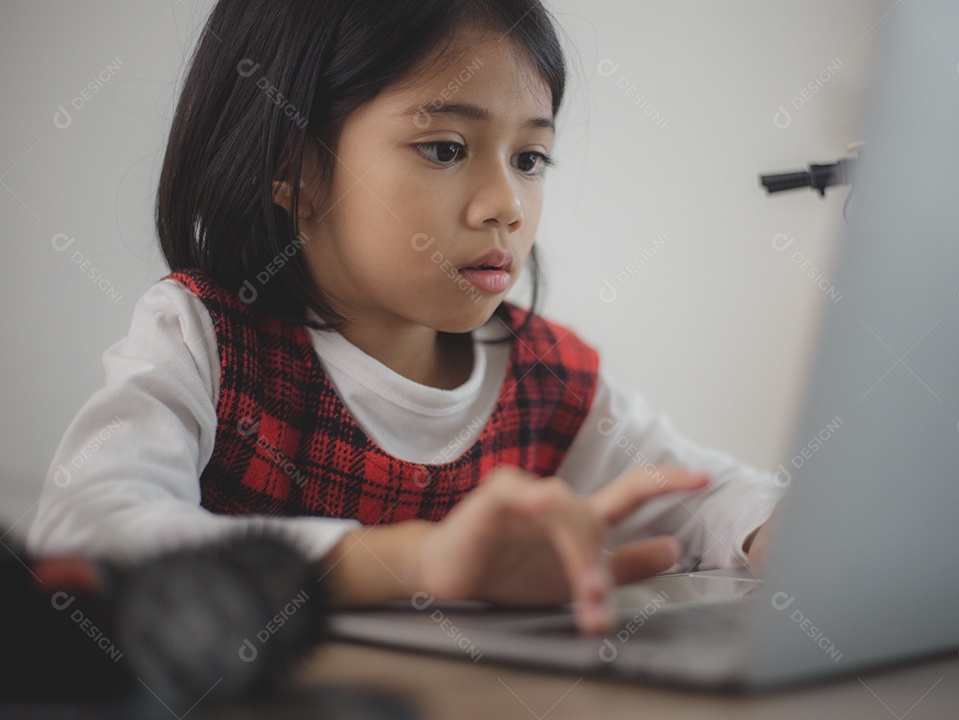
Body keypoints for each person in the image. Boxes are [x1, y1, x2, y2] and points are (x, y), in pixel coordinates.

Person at [29, 0, 782, 634]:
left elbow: (708, 496)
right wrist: (416, 563)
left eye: (530, 158)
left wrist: (773, 532)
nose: (506, 208)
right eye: (446, 148)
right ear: (291, 168)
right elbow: (86, 533)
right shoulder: (205, 338)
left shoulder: (554, 382)